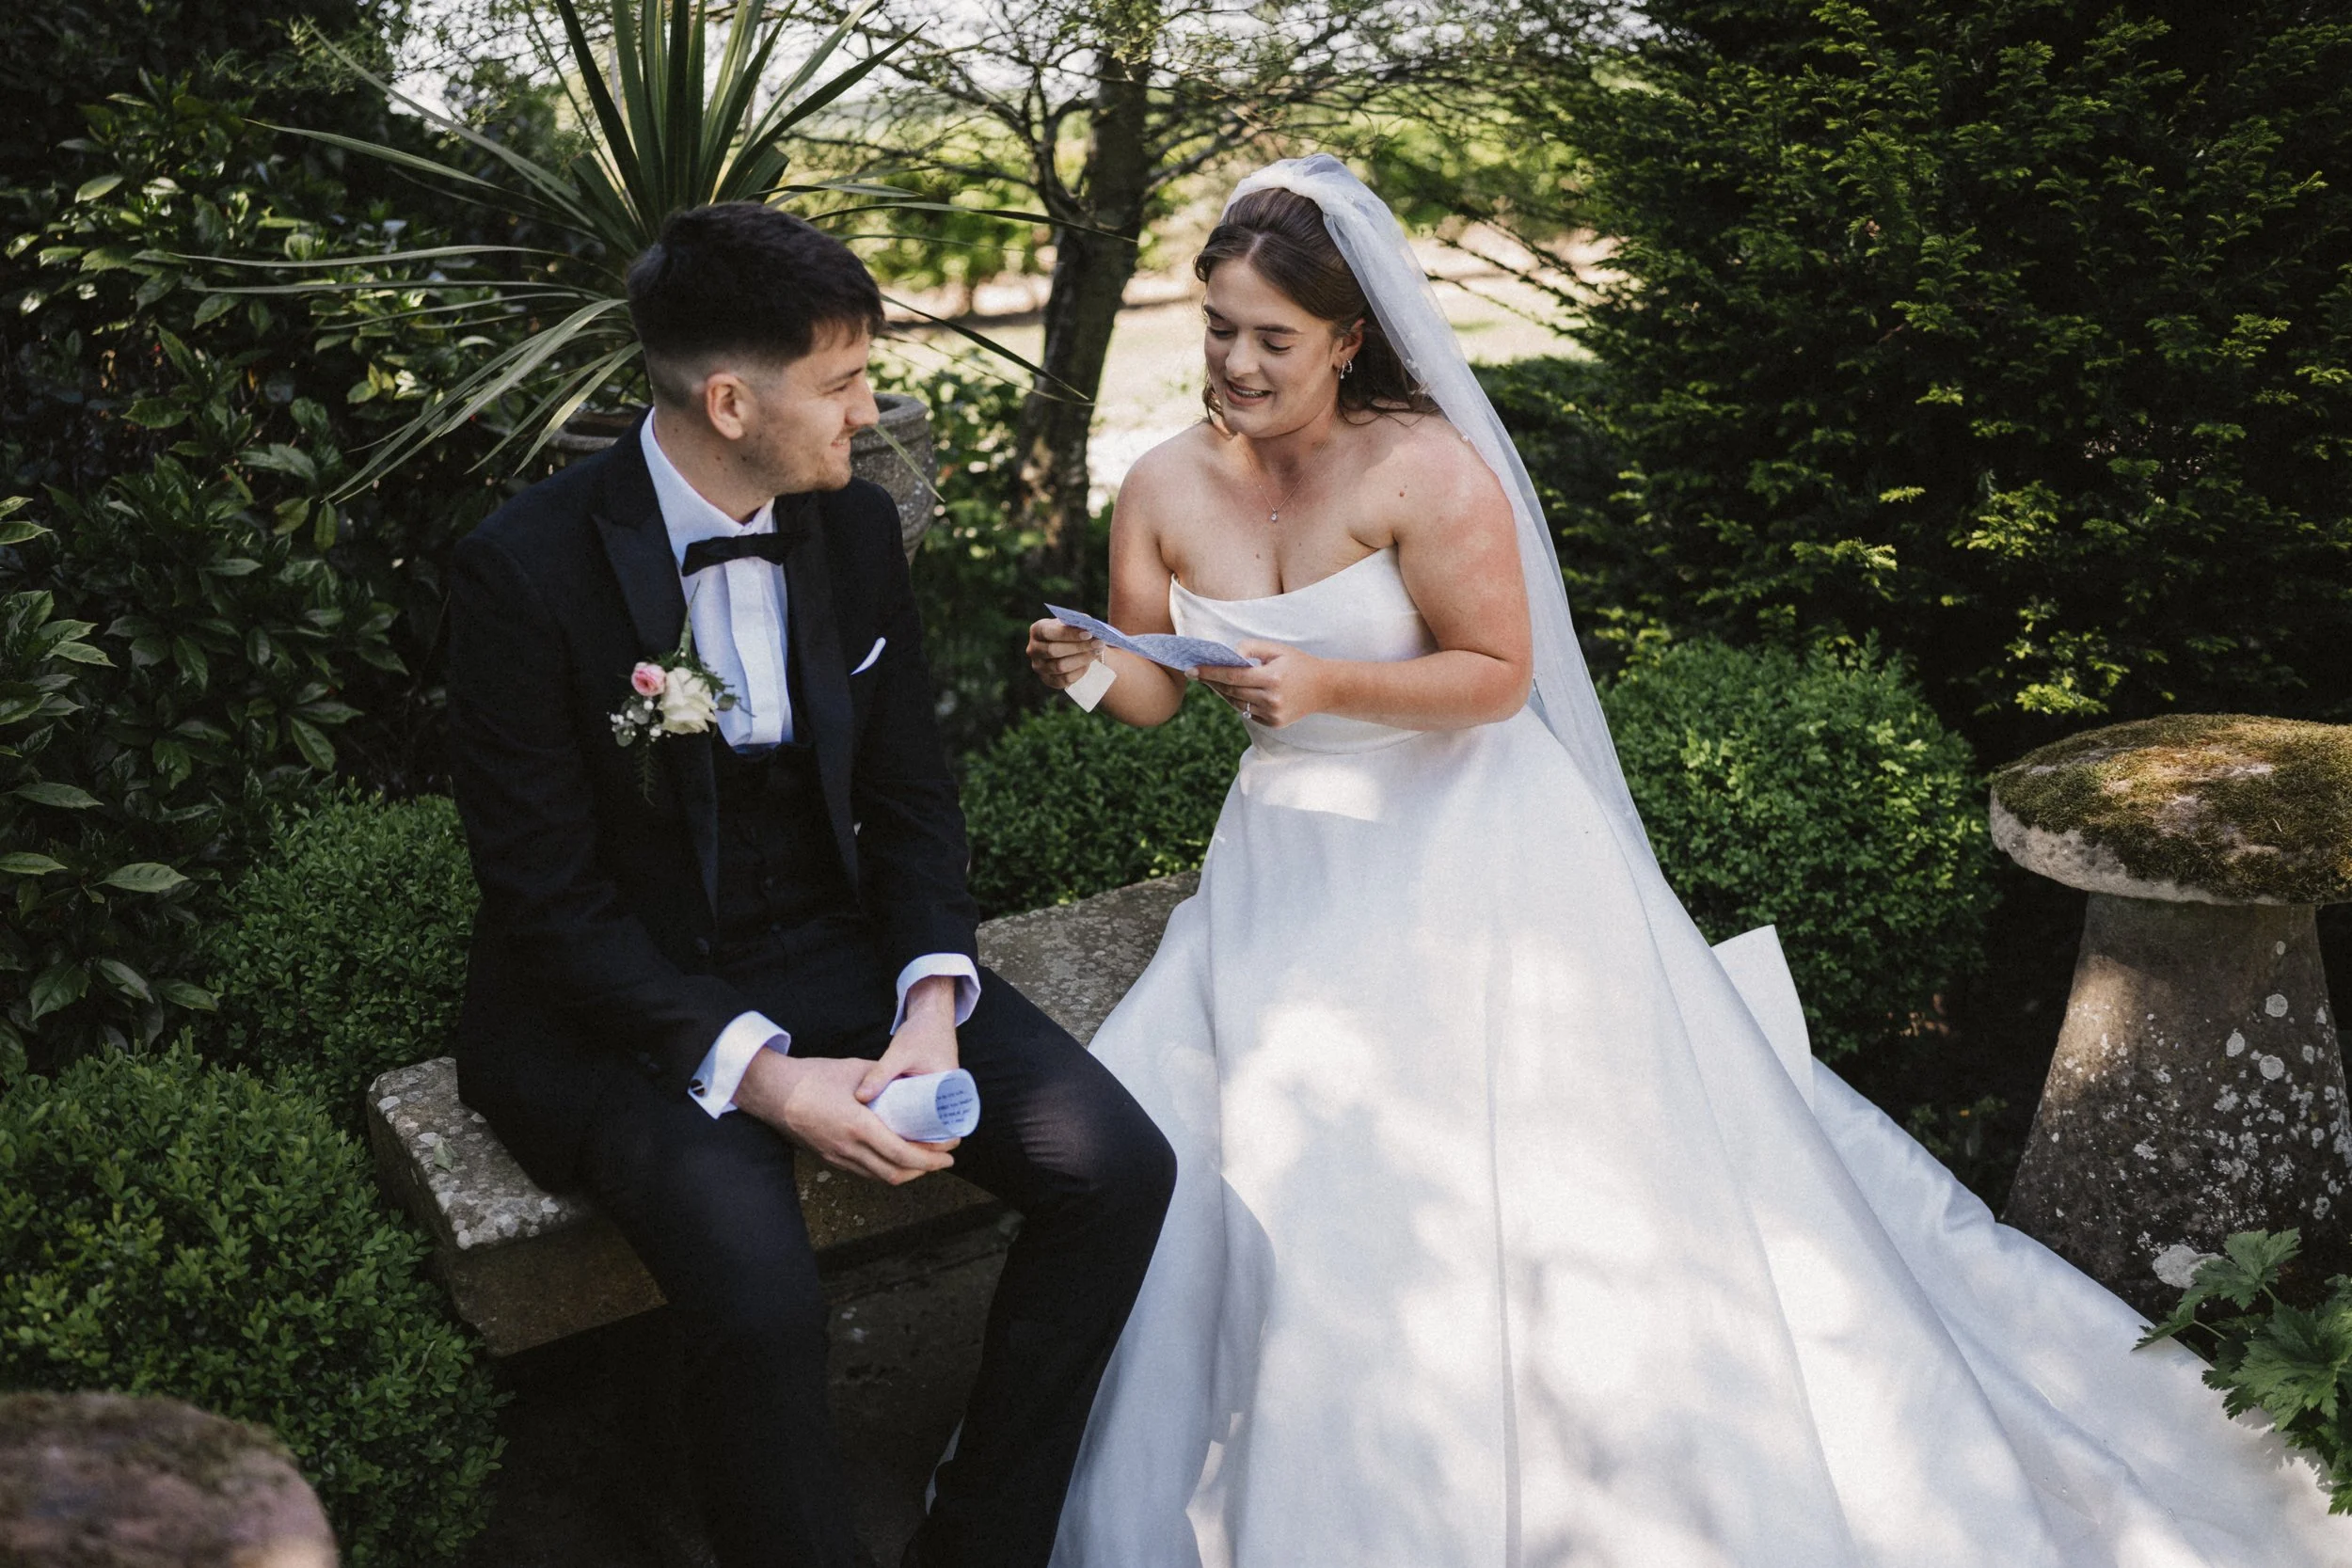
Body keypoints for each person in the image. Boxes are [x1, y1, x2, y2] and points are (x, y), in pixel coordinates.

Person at [1027, 155, 2346, 1567]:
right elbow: (1158, 686)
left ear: (1347, 340)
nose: (1233, 363)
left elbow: (1495, 675)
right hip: (1288, 868)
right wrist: (1093, 671)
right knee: (1273, 1153)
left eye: (1269, 339)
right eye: (1217, 327)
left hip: (1472, 853)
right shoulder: (1163, 483)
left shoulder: (1421, 471)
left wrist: (1332, 690)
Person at [445, 201, 1175, 1568]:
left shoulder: (850, 527)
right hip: (628, 997)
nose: (871, 405)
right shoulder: (521, 572)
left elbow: (909, 799)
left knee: (1118, 1169)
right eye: (842, 382)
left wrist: (930, 1002)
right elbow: (548, 901)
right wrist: (769, 1078)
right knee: (764, 1294)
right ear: (731, 399)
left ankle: (979, 1537)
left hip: (833, 945)